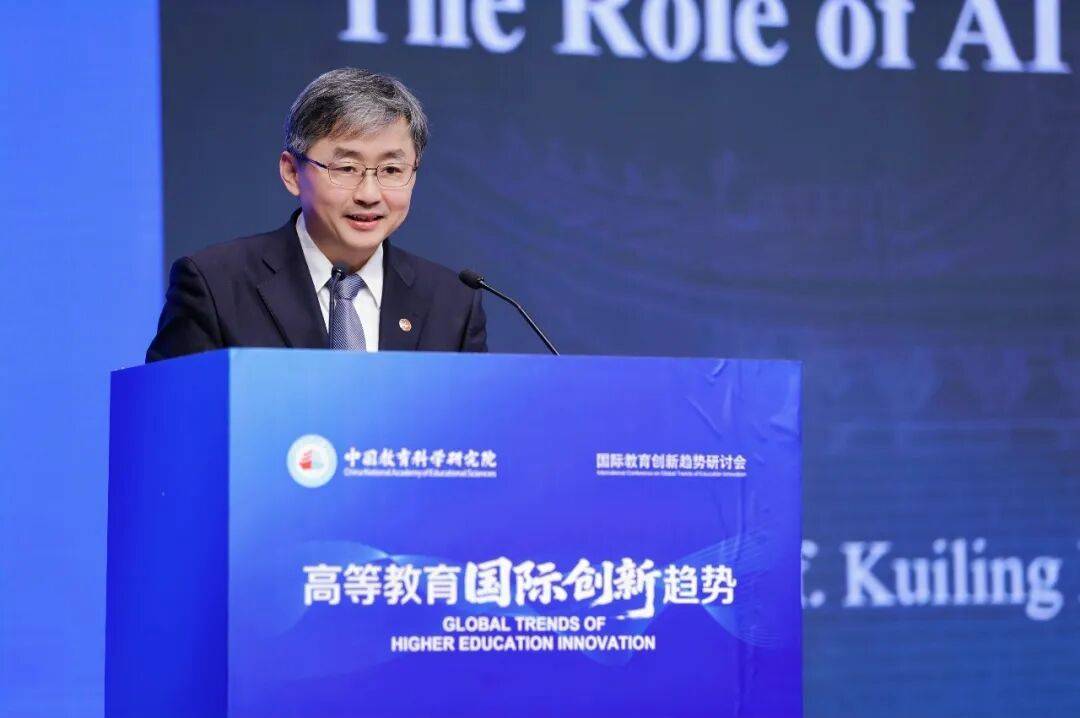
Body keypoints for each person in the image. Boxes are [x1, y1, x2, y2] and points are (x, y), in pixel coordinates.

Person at [146, 68, 486, 362]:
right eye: (346, 168)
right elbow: (168, 412)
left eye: (392, 170)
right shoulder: (216, 285)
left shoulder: (452, 303)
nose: (369, 195)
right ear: (292, 172)